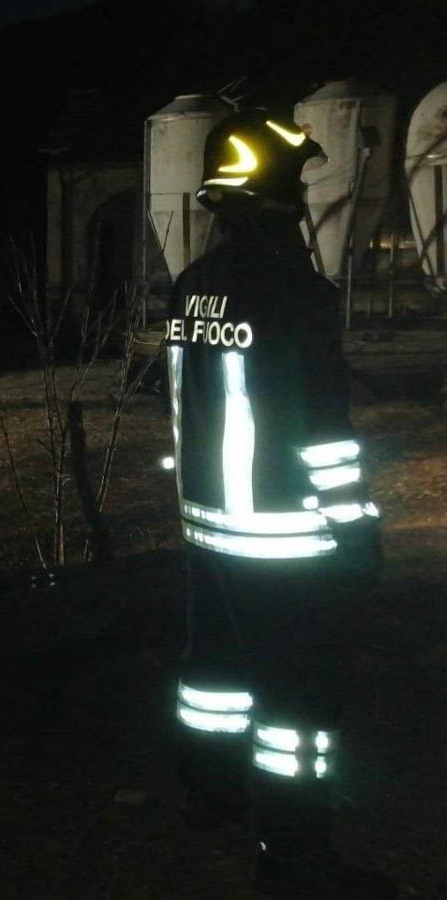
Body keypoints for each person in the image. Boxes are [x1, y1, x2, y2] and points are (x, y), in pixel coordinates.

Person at [165, 108, 385, 893]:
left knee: (214, 676)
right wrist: (356, 529)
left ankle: (212, 795)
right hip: (284, 540)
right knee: (297, 700)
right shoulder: (299, 293)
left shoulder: (192, 287)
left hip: (206, 529)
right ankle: (297, 862)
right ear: (280, 198)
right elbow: (325, 434)